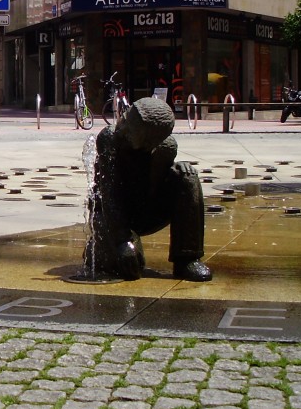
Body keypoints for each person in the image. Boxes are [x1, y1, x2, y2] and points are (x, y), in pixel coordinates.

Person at [83, 96, 211, 282]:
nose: (121, 128)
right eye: (124, 118)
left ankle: (187, 258)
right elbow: (109, 195)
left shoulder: (166, 148)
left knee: (187, 178)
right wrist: (122, 241)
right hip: (113, 216)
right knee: (131, 266)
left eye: (130, 130)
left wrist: (179, 171)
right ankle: (99, 249)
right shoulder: (110, 139)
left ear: (150, 142)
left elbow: (157, 187)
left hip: (144, 210)